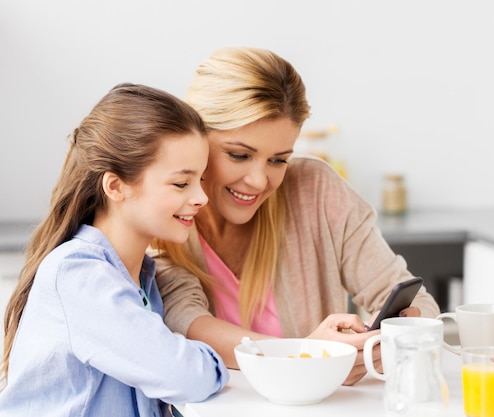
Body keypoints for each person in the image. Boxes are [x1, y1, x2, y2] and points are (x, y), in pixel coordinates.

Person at [150, 47, 441, 386]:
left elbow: (415, 301)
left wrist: (392, 336)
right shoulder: (164, 213)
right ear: (195, 137)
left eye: (278, 160)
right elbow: (185, 323)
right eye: (240, 155)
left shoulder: (315, 191)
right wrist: (310, 356)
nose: (259, 181)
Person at [0, 83, 229, 416]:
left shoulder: (143, 278)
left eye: (201, 181)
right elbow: (184, 376)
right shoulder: (79, 274)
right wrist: (212, 361)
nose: (201, 198)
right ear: (116, 186)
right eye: (182, 183)